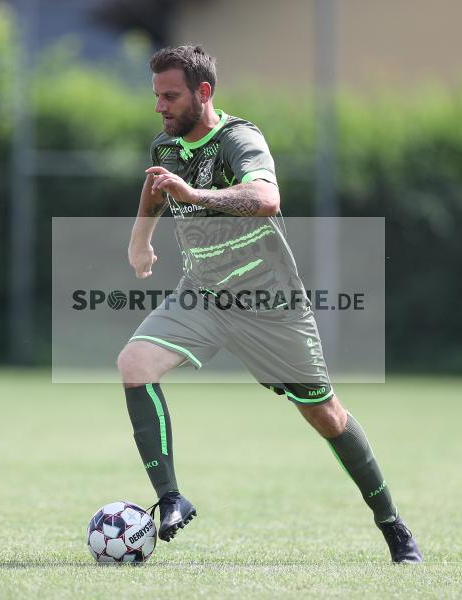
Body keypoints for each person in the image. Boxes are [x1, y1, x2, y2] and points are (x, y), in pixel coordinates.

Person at [118, 46, 422, 563]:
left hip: (269, 304)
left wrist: (196, 196)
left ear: (203, 92)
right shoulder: (164, 147)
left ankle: (393, 526)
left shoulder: (241, 138)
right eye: (156, 97)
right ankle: (170, 498)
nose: (160, 107)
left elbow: (265, 199)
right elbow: (155, 190)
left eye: (170, 96)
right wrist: (140, 240)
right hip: (203, 296)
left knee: (325, 414)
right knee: (134, 364)